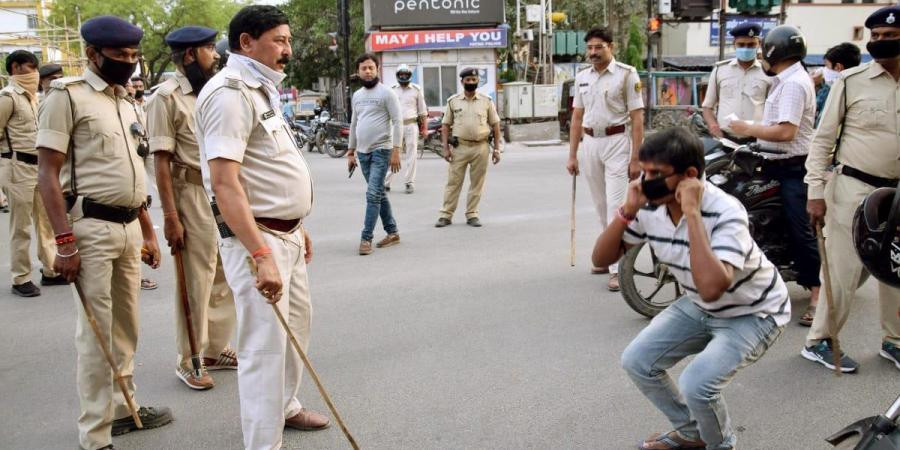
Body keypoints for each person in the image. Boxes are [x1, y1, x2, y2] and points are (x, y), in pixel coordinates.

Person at [594, 127, 788, 450]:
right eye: (643, 172)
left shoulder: (725, 211)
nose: (646, 181)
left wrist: (692, 213)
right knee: (637, 360)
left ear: (690, 176)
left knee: (697, 384)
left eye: (656, 173)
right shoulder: (650, 206)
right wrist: (627, 211)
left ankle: (720, 444)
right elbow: (601, 258)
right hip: (701, 305)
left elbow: (712, 287)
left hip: (755, 313)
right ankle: (693, 432)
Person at [195, 6, 330, 448]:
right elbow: (224, 182)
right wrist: (260, 253)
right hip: (259, 240)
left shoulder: (260, 89)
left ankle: (286, 407)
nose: (287, 49)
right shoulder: (229, 93)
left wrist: (295, 222)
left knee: (294, 333)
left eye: (288, 40)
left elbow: (268, 167)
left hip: (284, 233)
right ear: (246, 42)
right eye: (279, 40)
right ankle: (262, 442)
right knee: (263, 350)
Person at [36, 15, 172, 450]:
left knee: (126, 328)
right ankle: (95, 436)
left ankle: (123, 408)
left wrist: (149, 231)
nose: (129, 64)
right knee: (95, 334)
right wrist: (63, 241)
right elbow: (47, 175)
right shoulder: (67, 97)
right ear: (93, 54)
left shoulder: (128, 101)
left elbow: (136, 172)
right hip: (90, 228)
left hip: (130, 225)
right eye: (120, 56)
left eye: (133, 56)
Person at [803, 4, 900, 373]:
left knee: (895, 270)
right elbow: (821, 141)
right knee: (841, 273)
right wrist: (815, 192)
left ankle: (895, 341)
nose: (880, 42)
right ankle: (820, 340)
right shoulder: (851, 81)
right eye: (875, 37)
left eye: (890, 37)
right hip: (852, 190)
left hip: (897, 197)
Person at [148, 25, 237, 390]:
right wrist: (170, 216)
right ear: (189, 56)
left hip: (220, 190)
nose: (215, 55)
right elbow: (161, 161)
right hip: (190, 193)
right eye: (207, 50)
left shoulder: (212, 91)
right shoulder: (165, 97)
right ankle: (191, 358)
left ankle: (215, 348)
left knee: (224, 273)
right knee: (196, 278)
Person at [730, 25, 822, 319]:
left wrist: (746, 127)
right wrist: (749, 136)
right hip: (772, 162)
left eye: (761, 50)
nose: (759, 56)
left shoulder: (794, 83)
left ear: (774, 51)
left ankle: (817, 294)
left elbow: (785, 132)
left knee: (801, 228)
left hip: (793, 168)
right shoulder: (785, 81)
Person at [565, 27, 645, 291]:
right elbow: (576, 117)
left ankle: (618, 268)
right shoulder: (582, 77)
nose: (593, 52)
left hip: (617, 143)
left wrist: (636, 157)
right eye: (589, 48)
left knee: (615, 207)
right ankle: (607, 254)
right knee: (601, 206)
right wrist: (572, 154)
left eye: (599, 47)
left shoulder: (626, 74)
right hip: (590, 143)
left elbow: (637, 118)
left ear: (611, 47)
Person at [0, 50, 66, 297]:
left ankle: (50, 270)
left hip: (39, 168)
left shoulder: (33, 98)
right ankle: (21, 277)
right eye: (30, 67)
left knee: (46, 223)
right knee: (22, 227)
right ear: (15, 68)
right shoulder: (8, 98)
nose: (34, 73)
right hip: (17, 168)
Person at [346, 53, 403, 255]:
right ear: (358, 72)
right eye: (364, 68)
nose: (368, 71)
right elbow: (354, 123)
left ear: (377, 69)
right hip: (363, 153)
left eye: (371, 67)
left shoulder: (387, 93)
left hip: (382, 150)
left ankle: (366, 238)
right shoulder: (357, 96)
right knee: (377, 193)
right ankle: (393, 232)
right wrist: (350, 151)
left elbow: (398, 122)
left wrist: (396, 150)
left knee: (372, 195)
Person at [435, 68, 502, 229]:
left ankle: (472, 214)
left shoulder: (486, 101)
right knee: (453, 182)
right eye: (468, 80)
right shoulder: (453, 101)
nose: (471, 83)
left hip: (481, 147)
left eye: (473, 80)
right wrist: (445, 148)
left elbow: (496, 124)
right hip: (460, 147)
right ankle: (446, 215)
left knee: (477, 183)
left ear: (478, 81)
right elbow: (445, 126)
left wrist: (497, 149)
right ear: (462, 82)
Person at [701, 23, 770, 141]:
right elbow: (707, 106)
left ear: (759, 45)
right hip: (724, 138)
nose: (746, 48)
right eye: (741, 44)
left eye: (751, 45)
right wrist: (713, 126)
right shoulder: (720, 70)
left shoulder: (767, 72)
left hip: (757, 140)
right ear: (734, 45)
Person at [384, 64, 427, 194]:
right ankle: (386, 183)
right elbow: (386, 111)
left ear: (409, 76)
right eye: (401, 74)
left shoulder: (416, 90)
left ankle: (409, 182)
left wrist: (424, 128)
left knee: (411, 154)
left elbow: (423, 112)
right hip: (395, 126)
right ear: (398, 76)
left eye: (406, 75)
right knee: (392, 154)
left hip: (411, 125)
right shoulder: (391, 90)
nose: (403, 76)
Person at [812, 43, 861, 127]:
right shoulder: (858, 87)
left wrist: (811, 85)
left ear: (838, 67)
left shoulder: (832, 90)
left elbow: (815, 110)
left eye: (826, 65)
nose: (824, 69)